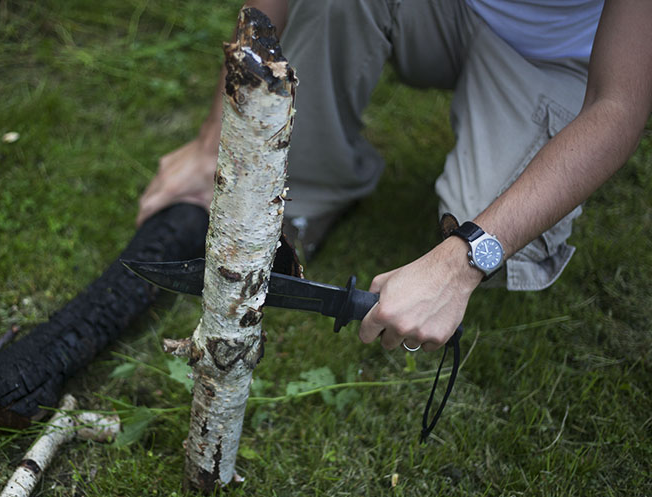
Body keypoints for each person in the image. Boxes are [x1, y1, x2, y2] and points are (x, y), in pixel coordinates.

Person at [136, 0, 652, 353]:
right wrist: (212, 138)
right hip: (440, 12)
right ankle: (310, 192)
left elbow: (619, 107)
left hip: (555, 58)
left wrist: (461, 263)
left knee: (482, 225)